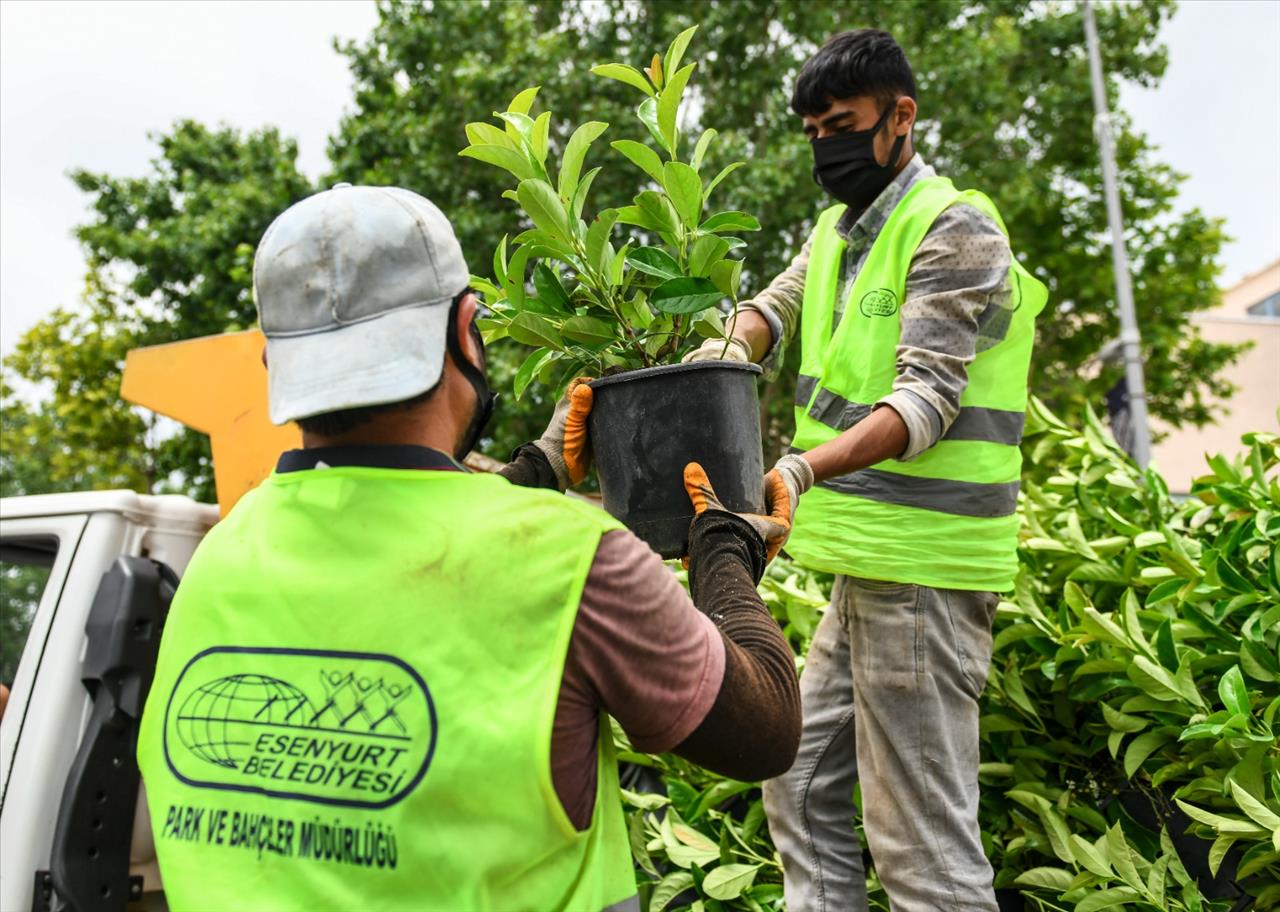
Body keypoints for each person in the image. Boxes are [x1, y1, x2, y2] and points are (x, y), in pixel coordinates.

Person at [135, 184, 801, 912]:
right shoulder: (573, 565)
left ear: (276, 368)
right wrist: (724, 547)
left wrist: (535, 473)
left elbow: (401, 561)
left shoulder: (220, 558)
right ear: (464, 331)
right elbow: (764, 731)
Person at [685, 28, 1048, 912]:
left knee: (920, 847)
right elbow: (767, 309)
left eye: (841, 124)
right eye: (813, 133)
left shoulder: (955, 228)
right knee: (798, 784)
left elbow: (924, 402)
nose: (827, 148)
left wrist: (801, 469)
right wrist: (702, 358)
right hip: (867, 569)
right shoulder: (838, 232)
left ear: (901, 118)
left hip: (924, 572)